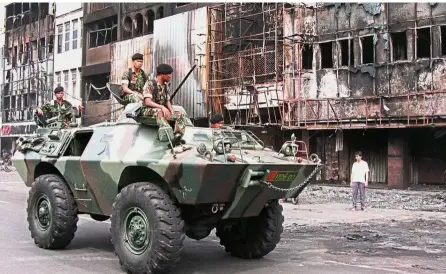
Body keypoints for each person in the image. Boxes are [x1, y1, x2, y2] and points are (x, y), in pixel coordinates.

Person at [141, 63, 185, 144]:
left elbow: (167, 100)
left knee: (178, 114)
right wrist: (162, 107)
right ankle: (168, 135)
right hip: (147, 110)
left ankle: (177, 135)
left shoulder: (166, 86)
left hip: (160, 109)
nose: (170, 76)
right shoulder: (150, 84)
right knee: (160, 112)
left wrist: (171, 110)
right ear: (161, 75)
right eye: (168, 74)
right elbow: (148, 102)